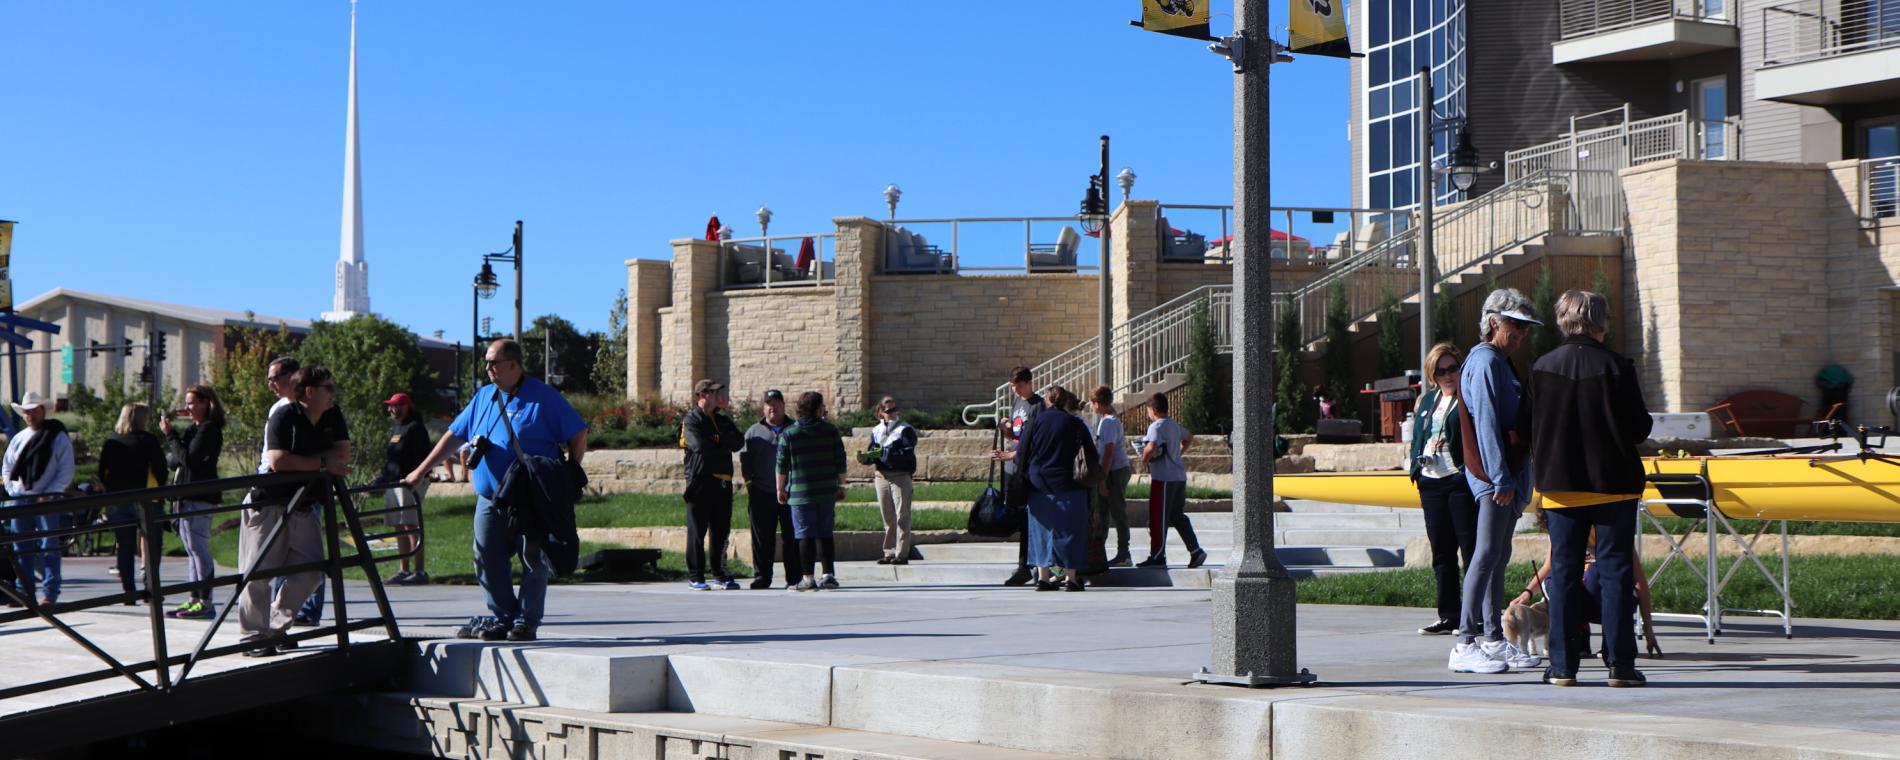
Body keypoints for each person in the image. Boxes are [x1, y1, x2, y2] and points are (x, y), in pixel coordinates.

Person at [402, 338, 588, 642]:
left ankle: (526, 622)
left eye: (494, 362)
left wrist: (569, 471)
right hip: (490, 497)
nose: (488, 368)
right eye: (487, 362)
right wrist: (421, 470)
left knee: (532, 559)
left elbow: (578, 431)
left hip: (529, 498)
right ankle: (503, 617)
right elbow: (453, 435)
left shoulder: (543, 397)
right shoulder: (484, 396)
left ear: (513, 365)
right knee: (486, 555)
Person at [1527, 289, 1655, 687]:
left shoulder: (1541, 367)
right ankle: (1620, 665)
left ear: (1564, 319)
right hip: (1614, 484)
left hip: (1561, 486)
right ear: (1600, 321)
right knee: (1616, 573)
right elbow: (1639, 428)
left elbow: (1525, 427)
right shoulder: (1618, 366)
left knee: (1563, 574)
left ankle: (1563, 666)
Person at [1448, 288, 1543, 675]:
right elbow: (1486, 422)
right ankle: (1464, 641)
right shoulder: (1486, 361)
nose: (1521, 335)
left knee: (1498, 555)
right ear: (1493, 323)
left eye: (1525, 328)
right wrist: (1501, 478)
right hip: (1493, 476)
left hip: (1505, 474)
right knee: (1485, 555)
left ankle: (1491, 638)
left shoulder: (1500, 362)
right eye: (1514, 326)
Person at [239, 366, 351, 657]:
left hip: (303, 504)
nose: (333, 393)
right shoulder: (284, 415)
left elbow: (343, 453)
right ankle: (253, 637)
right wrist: (322, 464)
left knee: (312, 572)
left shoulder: (332, 415)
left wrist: (307, 462)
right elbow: (278, 461)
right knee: (258, 574)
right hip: (268, 503)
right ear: (310, 391)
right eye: (328, 387)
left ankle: (274, 628)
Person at [1409, 343, 1478, 636]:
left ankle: (1476, 615)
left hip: (1458, 479)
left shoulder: (1468, 397)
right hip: (1431, 481)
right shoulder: (1427, 401)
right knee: (1442, 551)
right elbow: (1419, 435)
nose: (1448, 375)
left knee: (1471, 549)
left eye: (1452, 368)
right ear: (1432, 374)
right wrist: (1415, 468)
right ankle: (1449, 614)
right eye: (1441, 371)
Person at [258, 357, 327, 627]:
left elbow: (338, 451)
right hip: (273, 491)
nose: (270, 384)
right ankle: (269, 626)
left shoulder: (314, 411)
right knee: (270, 562)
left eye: (274, 378)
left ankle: (301, 613)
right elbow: (274, 458)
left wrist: (316, 465)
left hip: (305, 493)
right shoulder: (279, 410)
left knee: (310, 566)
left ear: (292, 377)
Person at [1014, 386, 1100, 591]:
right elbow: (1091, 455)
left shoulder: (1034, 422)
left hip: (1038, 484)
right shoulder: (1075, 423)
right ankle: (1071, 578)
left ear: (1048, 401)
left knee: (1040, 531)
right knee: (1071, 530)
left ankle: (1043, 578)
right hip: (1069, 483)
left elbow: (1021, 454)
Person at [3, 391, 75, 606]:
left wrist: (53, 491)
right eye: (27, 412)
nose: (30, 415)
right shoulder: (19, 438)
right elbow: (7, 467)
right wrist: (12, 488)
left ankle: (49, 594)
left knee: (49, 546)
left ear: (43, 411)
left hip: (46, 498)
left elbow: (66, 469)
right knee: (21, 548)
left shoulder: (56, 436)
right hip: (21, 497)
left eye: (34, 411)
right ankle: (24, 592)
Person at [163, 385, 224, 618]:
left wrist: (170, 434)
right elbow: (177, 460)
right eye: (186, 403)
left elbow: (189, 459)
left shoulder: (209, 429)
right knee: (191, 549)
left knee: (199, 549)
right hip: (185, 497)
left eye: (191, 403)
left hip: (200, 497)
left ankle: (206, 602)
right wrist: (175, 443)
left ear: (205, 403)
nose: (187, 408)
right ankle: (193, 598)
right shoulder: (194, 430)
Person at [98, 403, 168, 605]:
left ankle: (128, 590)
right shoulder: (148, 440)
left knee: (124, 545)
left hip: (118, 499)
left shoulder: (112, 441)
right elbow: (160, 468)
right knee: (151, 545)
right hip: (146, 498)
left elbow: (102, 471)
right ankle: (151, 588)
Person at [776, 391, 847, 591]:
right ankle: (828, 574)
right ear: (817, 409)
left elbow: (781, 465)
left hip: (800, 493)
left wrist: (780, 489)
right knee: (825, 532)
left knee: (804, 534)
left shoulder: (789, 433)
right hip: (826, 491)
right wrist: (841, 485)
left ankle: (808, 578)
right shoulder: (830, 431)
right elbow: (840, 461)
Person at [680, 379, 744, 590]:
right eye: (715, 393)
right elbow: (699, 446)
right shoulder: (691, 420)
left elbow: (738, 442)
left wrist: (717, 441)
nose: (719, 396)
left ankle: (720, 573)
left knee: (721, 530)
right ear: (703, 395)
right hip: (700, 480)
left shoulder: (722, 420)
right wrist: (721, 445)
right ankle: (696, 576)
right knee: (697, 531)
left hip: (723, 481)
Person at [741, 389, 802, 589]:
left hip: (791, 493)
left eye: (776, 403)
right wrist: (750, 485)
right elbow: (745, 462)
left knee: (792, 537)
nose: (772, 407)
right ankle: (762, 576)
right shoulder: (753, 432)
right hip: (761, 492)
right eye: (768, 404)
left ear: (784, 406)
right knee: (762, 538)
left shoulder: (795, 429)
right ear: (763, 407)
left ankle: (794, 577)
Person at [1137, 393, 1205, 569]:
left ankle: (1157, 554)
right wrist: (1178, 453)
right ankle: (1195, 550)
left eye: (1148, 411)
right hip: (1179, 476)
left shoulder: (1156, 426)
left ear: (1153, 410)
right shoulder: (1174, 425)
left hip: (1163, 478)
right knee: (1176, 515)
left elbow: (1151, 447)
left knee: (1158, 517)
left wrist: (1143, 460)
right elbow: (1189, 436)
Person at [997, 366, 1045, 586]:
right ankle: (1026, 564)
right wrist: (1005, 426)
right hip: (1013, 468)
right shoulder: (1018, 403)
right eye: (1013, 386)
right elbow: (1016, 433)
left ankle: (1027, 565)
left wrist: (1014, 454)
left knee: (1030, 519)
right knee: (1020, 518)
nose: (1015, 390)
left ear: (1029, 383)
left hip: (1027, 469)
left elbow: (1035, 441)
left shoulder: (1038, 405)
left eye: (1019, 385)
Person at [381, 392, 434, 586]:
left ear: (406, 406)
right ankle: (404, 570)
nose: (391, 409)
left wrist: (414, 478)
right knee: (398, 525)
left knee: (411, 524)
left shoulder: (416, 428)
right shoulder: (397, 428)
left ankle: (419, 571)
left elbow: (422, 457)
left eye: (395, 406)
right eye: (390, 406)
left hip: (410, 484)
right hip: (393, 483)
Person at [1088, 385, 1133, 570]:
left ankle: (1124, 552)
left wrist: (1102, 479)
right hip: (1110, 470)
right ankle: (1100, 551)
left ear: (1098, 403)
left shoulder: (1108, 423)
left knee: (1117, 510)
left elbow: (1108, 452)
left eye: (1092, 403)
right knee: (1103, 512)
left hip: (1115, 470)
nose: (1091, 407)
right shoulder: (1106, 421)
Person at [869, 396, 918, 565]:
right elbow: (872, 450)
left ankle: (901, 553)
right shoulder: (876, 430)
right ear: (880, 412)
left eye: (894, 409)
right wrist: (867, 457)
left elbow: (907, 451)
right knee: (888, 516)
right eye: (888, 410)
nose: (892, 413)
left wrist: (888, 455)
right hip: (881, 476)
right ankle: (889, 552)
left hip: (900, 476)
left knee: (902, 515)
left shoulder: (905, 429)